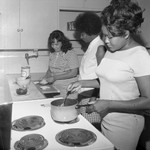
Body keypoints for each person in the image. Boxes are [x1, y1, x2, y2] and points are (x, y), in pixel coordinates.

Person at [67, 0, 150, 150]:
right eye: (104, 35)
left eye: (110, 37)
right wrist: (83, 83)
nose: (106, 40)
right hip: (106, 117)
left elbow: (148, 101)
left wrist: (108, 104)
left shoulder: (140, 55)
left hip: (126, 124)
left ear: (126, 33)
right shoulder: (112, 50)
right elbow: (107, 80)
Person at [74, 11, 106, 126]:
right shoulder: (92, 46)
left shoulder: (100, 48)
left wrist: (93, 100)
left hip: (92, 98)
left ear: (90, 32)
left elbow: (103, 79)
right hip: (85, 95)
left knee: (92, 131)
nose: (81, 37)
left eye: (83, 34)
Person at [40, 30, 79, 99]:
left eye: (57, 44)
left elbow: (74, 73)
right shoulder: (52, 54)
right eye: (52, 44)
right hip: (56, 88)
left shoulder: (70, 54)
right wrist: (45, 78)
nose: (54, 47)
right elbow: (50, 70)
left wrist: (55, 78)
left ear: (62, 42)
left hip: (68, 88)